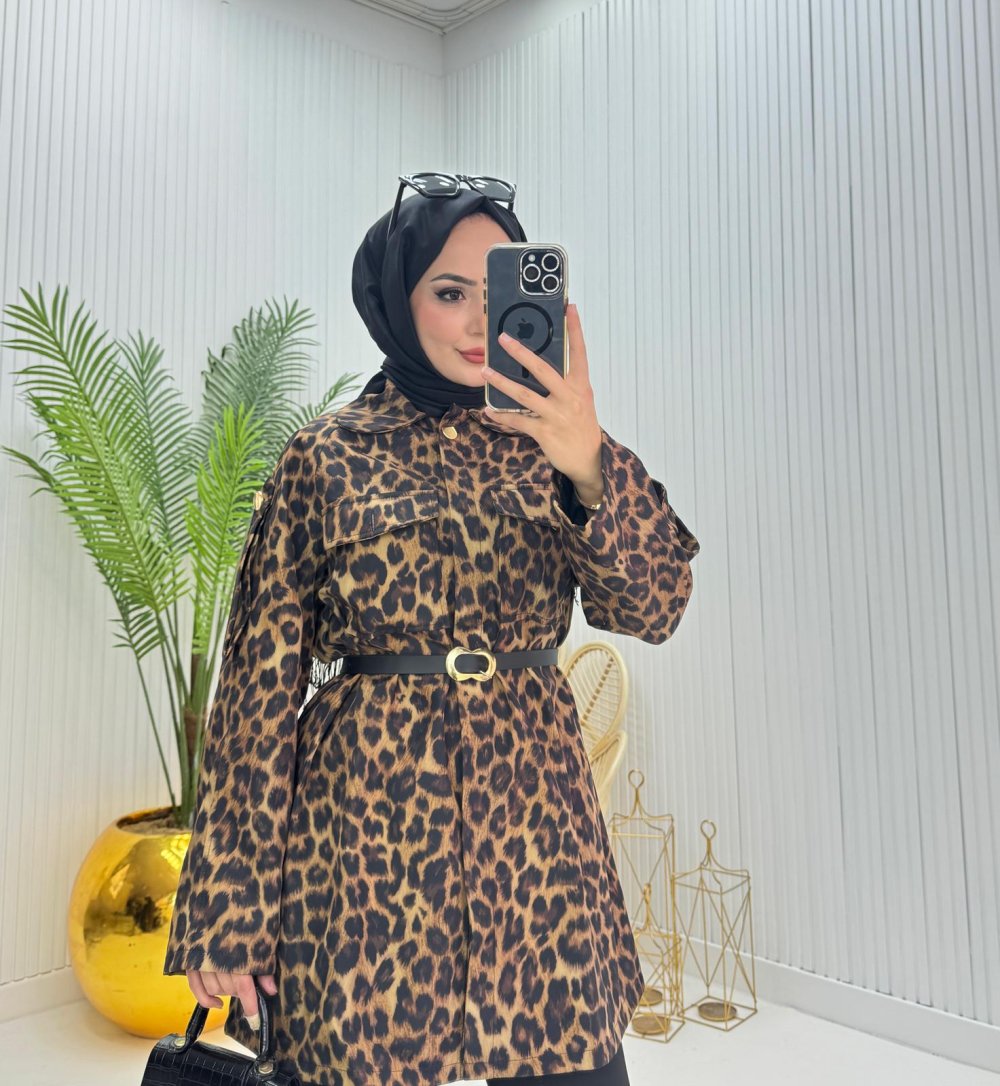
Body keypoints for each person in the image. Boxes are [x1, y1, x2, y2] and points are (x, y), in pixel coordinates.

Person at [162, 176, 700, 1086]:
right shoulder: (324, 456)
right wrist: (227, 909)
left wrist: (588, 463)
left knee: (572, 1064)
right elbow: (257, 693)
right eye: (450, 292)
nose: (478, 319)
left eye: (497, 292)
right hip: (364, 839)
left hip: (536, 833)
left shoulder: (559, 445)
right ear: (395, 302)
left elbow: (656, 606)